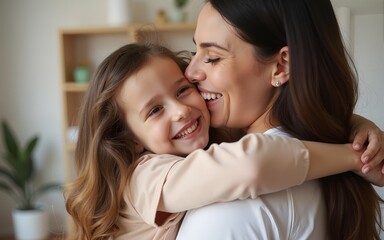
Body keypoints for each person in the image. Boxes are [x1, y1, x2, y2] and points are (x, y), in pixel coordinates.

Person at [63, 42, 384, 240]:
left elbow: (289, 126)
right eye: (155, 110)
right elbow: (252, 164)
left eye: (182, 90)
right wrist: (353, 157)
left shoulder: (201, 147)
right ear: (130, 140)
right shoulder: (145, 176)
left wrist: (353, 124)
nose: (181, 111)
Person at [176, 0, 384, 239]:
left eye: (212, 57)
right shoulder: (328, 153)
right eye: (195, 52)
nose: (189, 73)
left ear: (281, 65)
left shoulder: (237, 201)